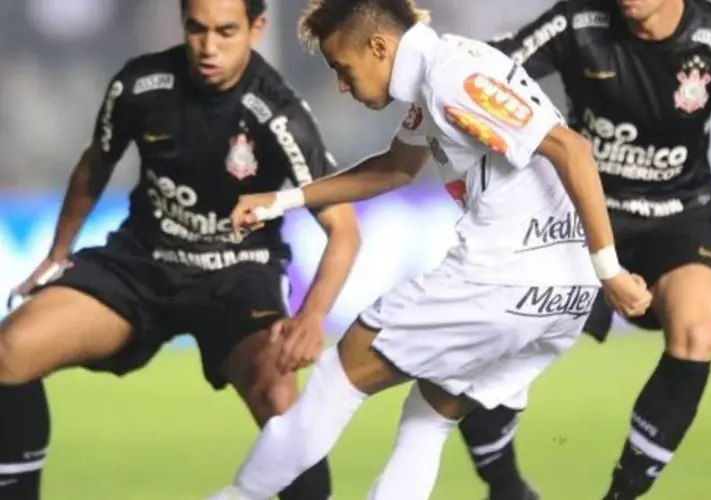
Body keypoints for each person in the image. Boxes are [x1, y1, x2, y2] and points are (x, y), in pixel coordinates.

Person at [207, 0, 653, 498]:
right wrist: (283, 200)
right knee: (427, 419)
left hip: (503, 279)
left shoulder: (452, 78)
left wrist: (610, 270)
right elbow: (395, 168)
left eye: (342, 68)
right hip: (559, 299)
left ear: (378, 46)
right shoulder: (440, 75)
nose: (341, 84)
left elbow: (573, 150)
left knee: (337, 376)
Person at [0, 1, 361, 499]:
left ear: (256, 29)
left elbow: (344, 228)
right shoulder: (141, 85)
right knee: (9, 351)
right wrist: (59, 252)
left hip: (237, 274)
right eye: (197, 29)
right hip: (143, 263)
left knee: (277, 394)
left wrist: (311, 317)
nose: (209, 46)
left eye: (226, 32)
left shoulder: (279, 114)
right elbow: (95, 163)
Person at [457, 0, 711, 498]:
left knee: (698, 329)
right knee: (496, 340)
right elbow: (494, 69)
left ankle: (622, 494)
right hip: (581, 212)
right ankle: (505, 486)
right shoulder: (578, 19)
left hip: (678, 216)